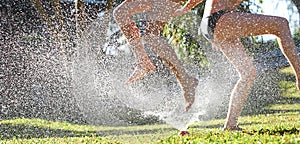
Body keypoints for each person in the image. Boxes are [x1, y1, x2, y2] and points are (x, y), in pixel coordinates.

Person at [114, 0, 300, 131]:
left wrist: (188, 11)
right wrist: (187, 10)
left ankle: (230, 125)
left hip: (217, 24)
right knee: (281, 24)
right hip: (219, 20)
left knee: (248, 74)